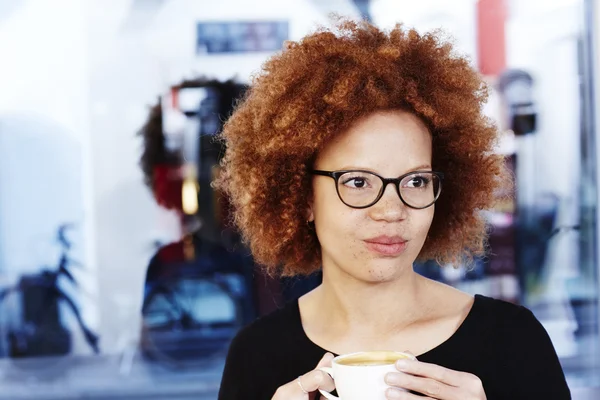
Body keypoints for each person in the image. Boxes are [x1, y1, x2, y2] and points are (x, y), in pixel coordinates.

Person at [215, 18, 571, 400]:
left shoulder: (513, 340)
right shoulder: (255, 356)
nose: (392, 210)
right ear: (302, 198)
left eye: (415, 181)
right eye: (357, 181)